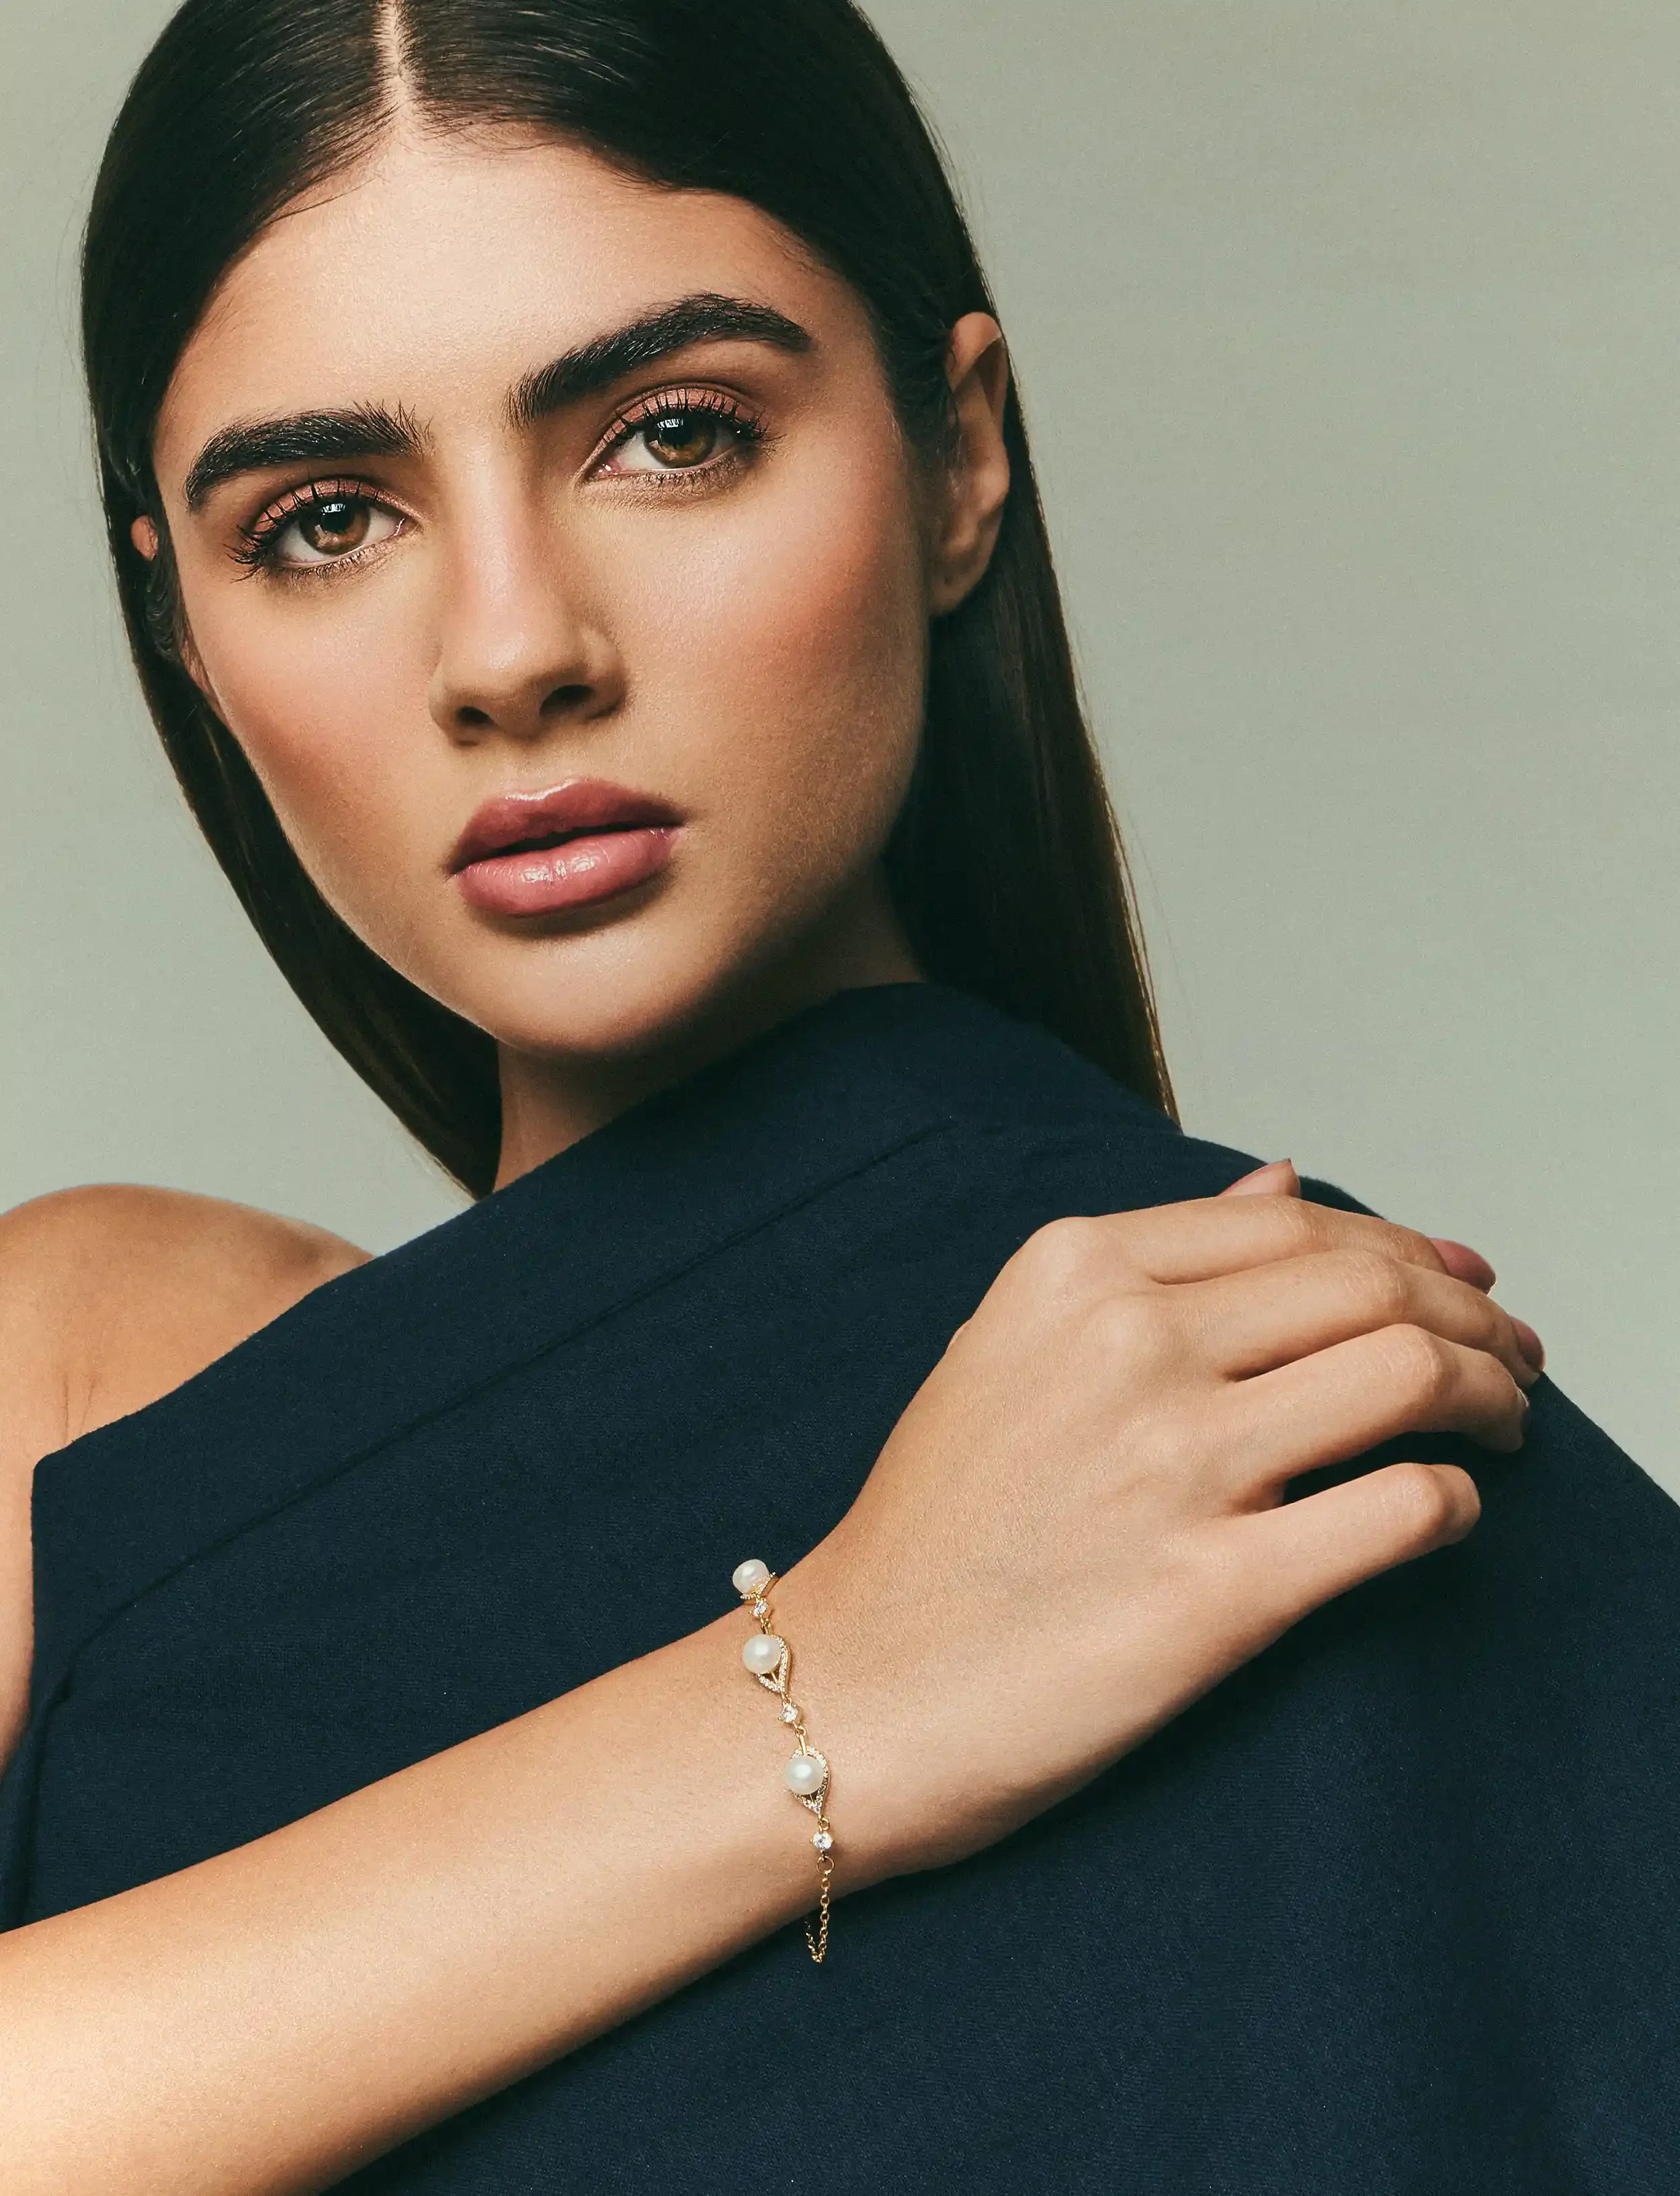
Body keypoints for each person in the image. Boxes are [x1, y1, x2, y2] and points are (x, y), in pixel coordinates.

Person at [0, 3, 1673, 2191]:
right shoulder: (101, 1370)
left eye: (672, 432)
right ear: (185, 629)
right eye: (324, 517)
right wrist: (831, 1691)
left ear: (957, 453)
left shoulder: (1327, 1443)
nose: (512, 647)